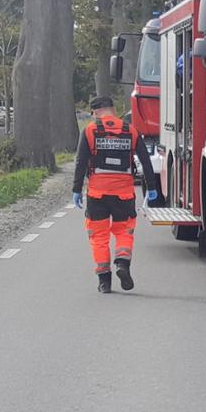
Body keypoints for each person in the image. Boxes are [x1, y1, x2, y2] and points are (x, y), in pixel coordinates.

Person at [73, 95, 157, 293]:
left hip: (97, 194)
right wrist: (152, 187)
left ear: (95, 112)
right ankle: (122, 264)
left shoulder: (90, 131)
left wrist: (76, 189)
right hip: (124, 194)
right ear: (112, 109)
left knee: (99, 236)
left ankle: (104, 281)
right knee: (123, 231)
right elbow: (145, 161)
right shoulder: (130, 130)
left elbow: (80, 162)